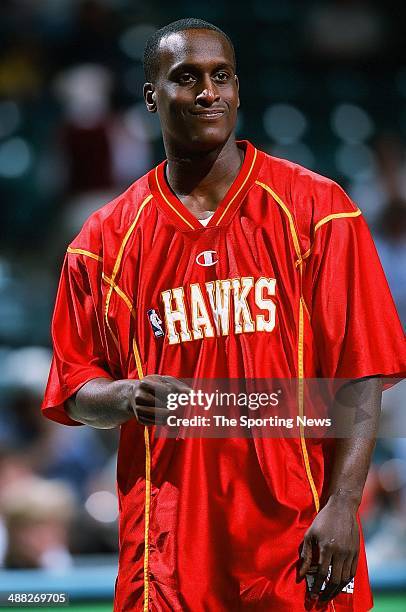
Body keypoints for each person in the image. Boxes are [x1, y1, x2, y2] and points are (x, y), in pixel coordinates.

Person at [42, 18, 405, 611]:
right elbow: (75, 387)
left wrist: (344, 507)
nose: (208, 92)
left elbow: (361, 376)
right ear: (151, 94)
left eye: (222, 76)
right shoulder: (103, 241)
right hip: (169, 547)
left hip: (300, 533)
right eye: (187, 78)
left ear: (238, 88)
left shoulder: (319, 210)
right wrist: (127, 396)